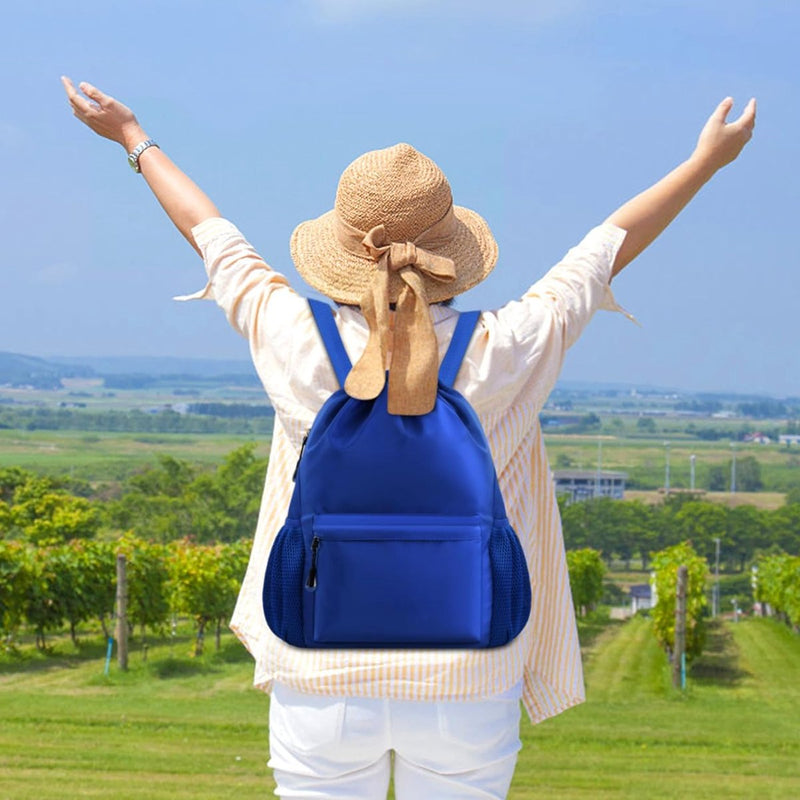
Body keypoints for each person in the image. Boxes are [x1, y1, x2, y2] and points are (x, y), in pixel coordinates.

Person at [61, 75, 755, 799]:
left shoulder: (290, 335)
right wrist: (705, 161)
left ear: (340, 252)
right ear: (450, 255)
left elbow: (212, 236)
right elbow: (604, 249)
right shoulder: (507, 346)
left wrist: (132, 136)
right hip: (468, 669)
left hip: (320, 664)